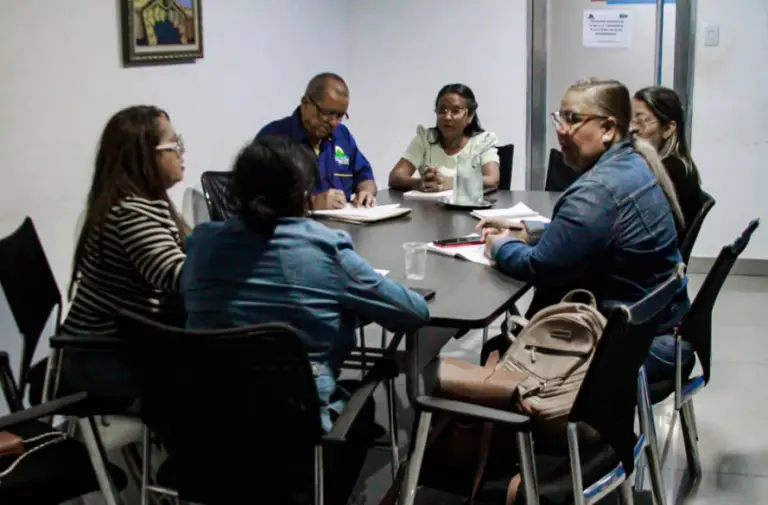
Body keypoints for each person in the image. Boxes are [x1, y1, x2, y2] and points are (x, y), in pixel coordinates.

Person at [180, 136, 430, 504]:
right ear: (303, 194)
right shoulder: (322, 247)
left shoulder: (202, 243)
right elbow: (413, 313)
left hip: (206, 422)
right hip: (292, 430)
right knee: (363, 414)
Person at [478, 78, 692, 385]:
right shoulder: (633, 162)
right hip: (659, 331)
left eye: (573, 120)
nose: (561, 129)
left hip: (635, 348)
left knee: (497, 348)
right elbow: (591, 233)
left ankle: (518, 430)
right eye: (560, 117)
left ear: (608, 128)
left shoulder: (597, 191)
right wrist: (528, 230)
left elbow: (539, 266)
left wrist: (499, 246)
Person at [59, 105, 188, 400]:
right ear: (145, 157)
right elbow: (176, 276)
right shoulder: (130, 213)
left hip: (118, 347)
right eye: (173, 145)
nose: (181, 152)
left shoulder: (142, 202)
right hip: (101, 357)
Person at [256, 72, 377, 210]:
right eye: (327, 113)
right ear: (305, 104)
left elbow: (365, 177)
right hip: (295, 228)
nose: (334, 123)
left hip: (345, 225)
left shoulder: (342, 135)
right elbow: (258, 201)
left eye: (340, 116)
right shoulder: (272, 138)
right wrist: (311, 204)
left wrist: (366, 192)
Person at [388, 83, 500, 192]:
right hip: (430, 209)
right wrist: (420, 183)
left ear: (470, 116)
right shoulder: (425, 139)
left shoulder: (483, 141)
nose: (447, 117)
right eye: (442, 111)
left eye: (455, 111)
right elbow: (395, 177)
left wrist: (449, 183)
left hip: (469, 209)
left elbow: (492, 180)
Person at [633, 86, 703, 236]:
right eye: (631, 120)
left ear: (668, 129)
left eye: (641, 121)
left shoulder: (672, 170)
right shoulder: (678, 165)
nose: (633, 129)